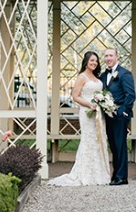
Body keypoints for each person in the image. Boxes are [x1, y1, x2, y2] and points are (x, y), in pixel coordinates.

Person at [48, 51, 111, 186]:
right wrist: (89, 104)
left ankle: (98, 174)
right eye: (92, 60)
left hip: (98, 114)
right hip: (87, 113)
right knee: (89, 140)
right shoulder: (82, 77)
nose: (94, 63)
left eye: (96, 61)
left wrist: (102, 103)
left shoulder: (96, 77)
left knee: (98, 140)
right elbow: (75, 96)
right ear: (86, 62)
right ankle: (85, 174)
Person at [101, 48, 135, 186]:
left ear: (117, 57)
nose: (108, 58)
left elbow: (130, 95)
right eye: (106, 56)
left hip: (120, 116)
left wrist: (122, 111)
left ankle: (122, 177)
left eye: (110, 55)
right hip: (107, 116)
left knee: (120, 145)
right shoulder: (103, 76)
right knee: (113, 146)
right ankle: (116, 174)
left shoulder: (124, 74)